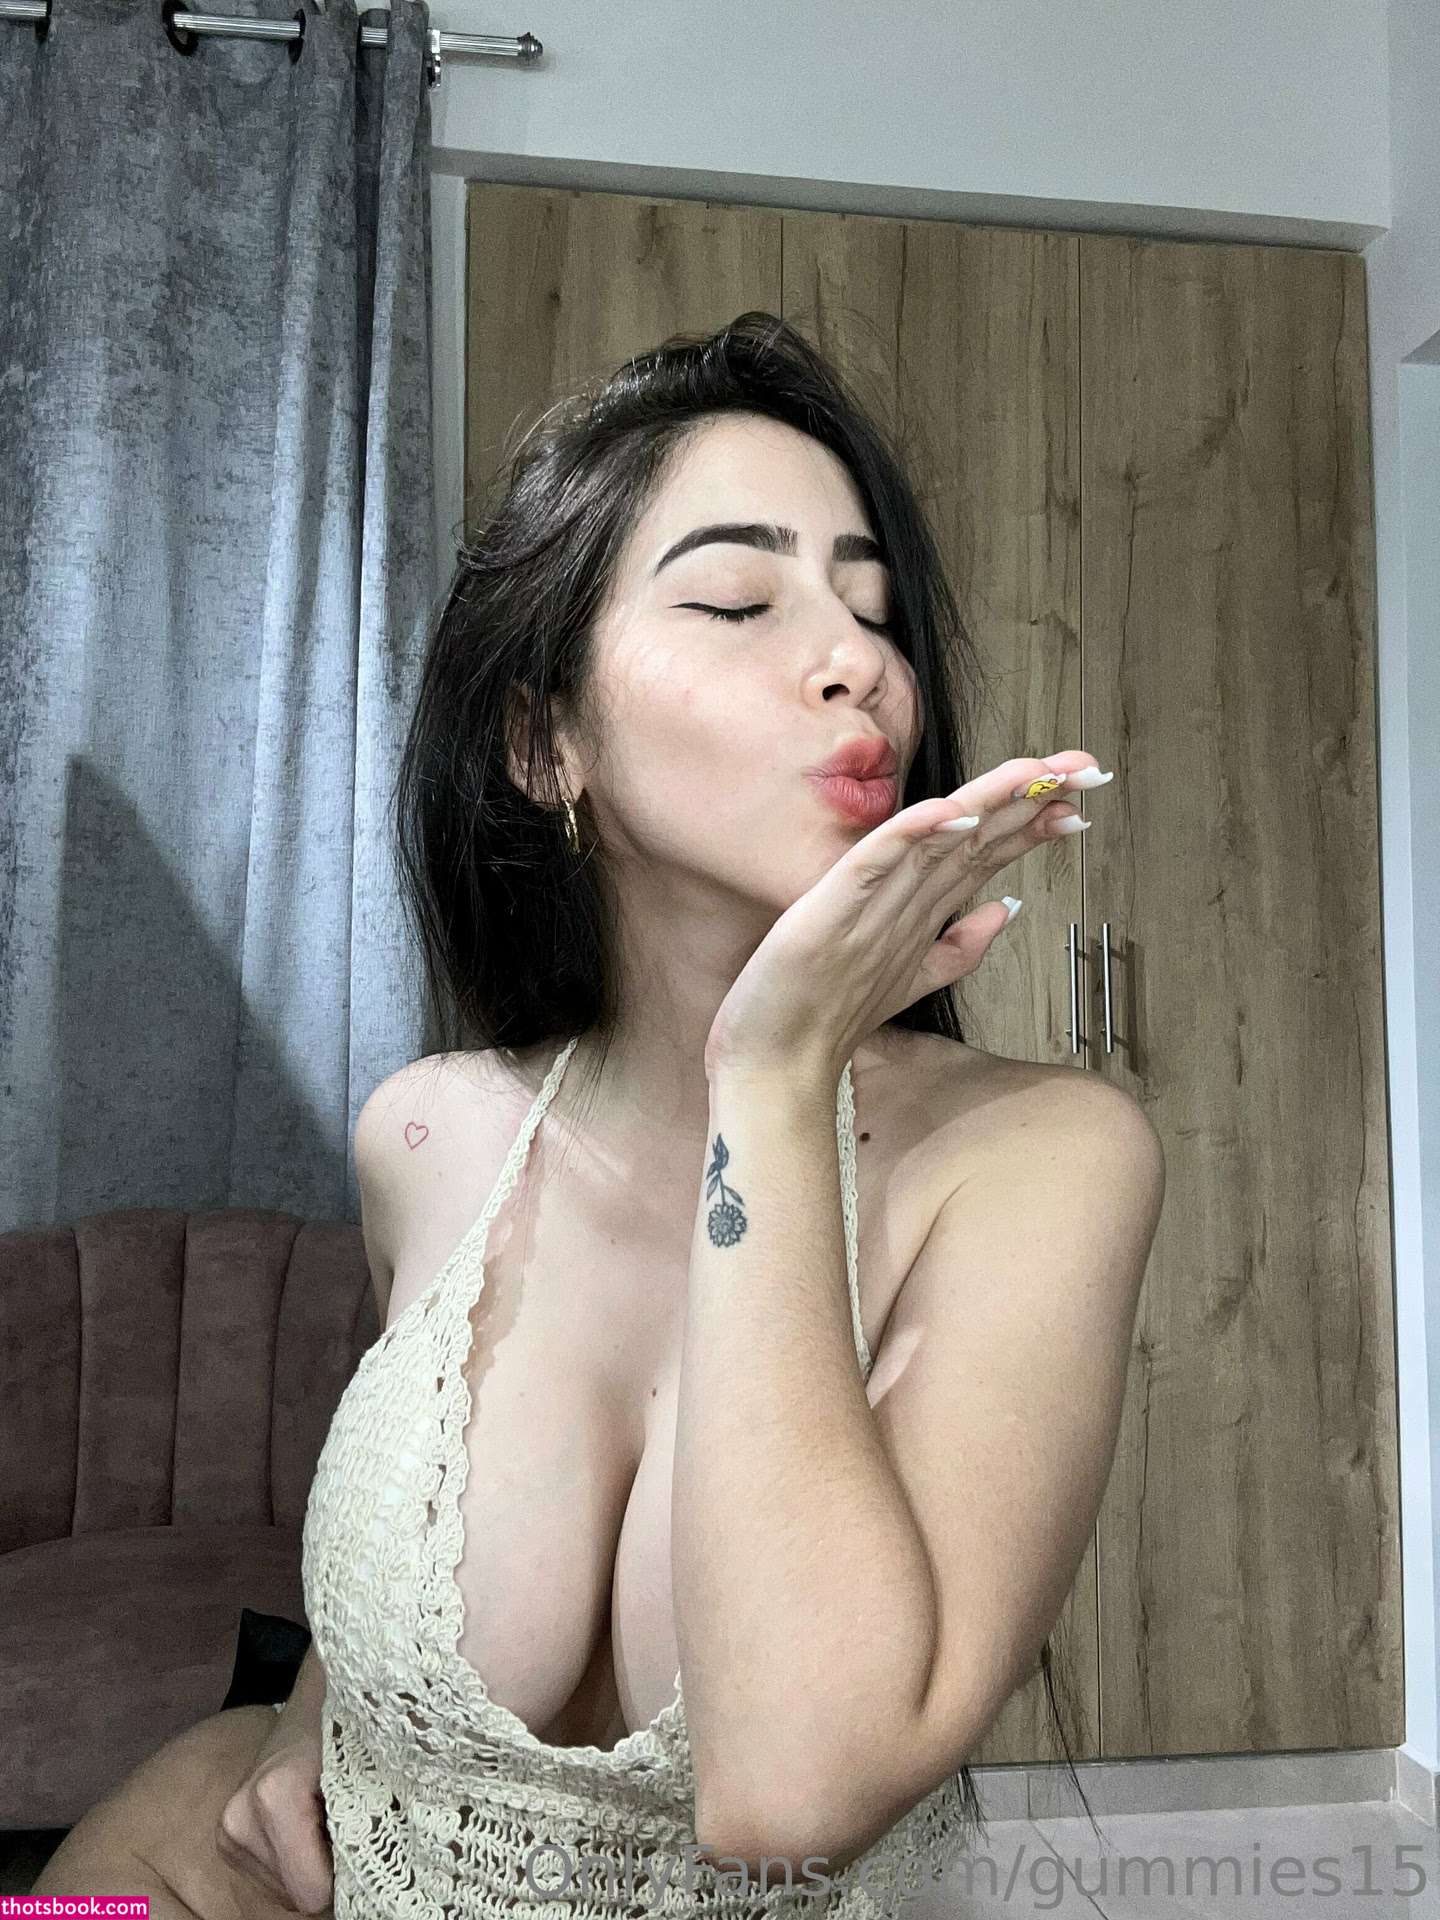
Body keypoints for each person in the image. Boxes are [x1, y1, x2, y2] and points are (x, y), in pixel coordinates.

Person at [35, 312, 1162, 1917]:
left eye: (873, 610)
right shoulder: (425, 1137)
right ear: (542, 741)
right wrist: (309, 1712)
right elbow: (399, 1556)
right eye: (738, 601)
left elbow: (790, 1791)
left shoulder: (1043, 1161)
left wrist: (773, 1077)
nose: (857, 661)